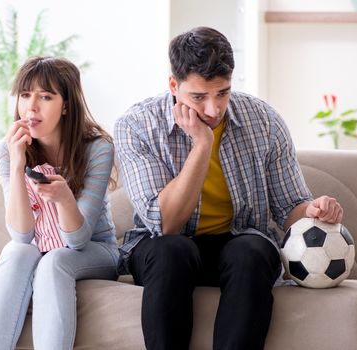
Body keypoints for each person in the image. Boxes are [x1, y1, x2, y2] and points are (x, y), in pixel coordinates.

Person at [114, 27, 344, 350]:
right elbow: (165, 223)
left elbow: (290, 207)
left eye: (222, 92)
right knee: (172, 253)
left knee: (254, 251)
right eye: (198, 96)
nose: (213, 109)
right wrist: (201, 145)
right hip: (164, 243)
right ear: (173, 86)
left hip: (234, 241)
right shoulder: (136, 125)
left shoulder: (263, 121)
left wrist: (313, 211)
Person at [0, 56, 119, 350]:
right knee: (15, 252)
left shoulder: (97, 148)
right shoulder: (8, 149)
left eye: (45, 96)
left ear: (66, 105)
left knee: (55, 260)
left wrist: (65, 199)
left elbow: (77, 241)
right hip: (37, 244)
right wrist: (17, 166)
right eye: (25, 95)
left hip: (96, 249)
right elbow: (21, 234)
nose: (31, 106)